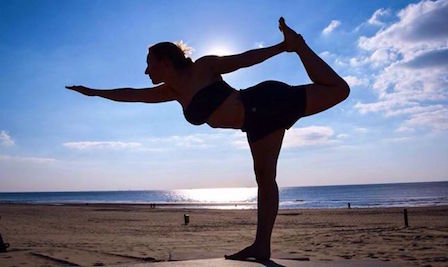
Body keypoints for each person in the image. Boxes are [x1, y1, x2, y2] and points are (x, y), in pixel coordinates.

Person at [66, 17, 350, 261]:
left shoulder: (202, 68)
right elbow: (131, 93)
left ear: (165, 61)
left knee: (339, 90)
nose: (146, 71)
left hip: (264, 102)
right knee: (264, 178)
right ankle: (262, 246)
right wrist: (94, 92)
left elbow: (242, 60)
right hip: (254, 122)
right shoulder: (173, 92)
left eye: (149, 64)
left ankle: (299, 46)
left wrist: (282, 48)